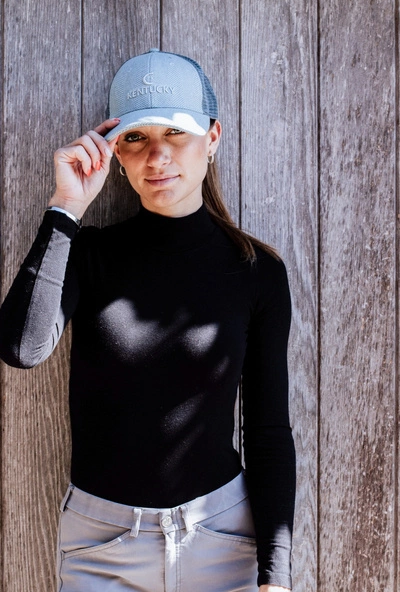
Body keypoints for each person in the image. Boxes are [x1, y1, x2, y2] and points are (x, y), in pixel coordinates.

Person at [0, 49, 295, 592]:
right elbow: (21, 348)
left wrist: (275, 576)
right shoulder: (87, 255)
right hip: (101, 548)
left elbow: (268, 431)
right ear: (115, 151)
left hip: (224, 539)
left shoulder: (257, 273)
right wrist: (66, 207)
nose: (157, 155)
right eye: (135, 137)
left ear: (212, 137)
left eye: (176, 132)